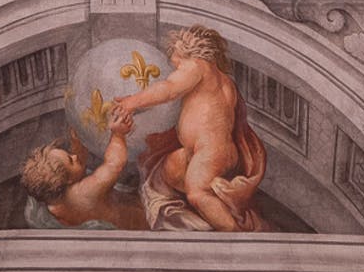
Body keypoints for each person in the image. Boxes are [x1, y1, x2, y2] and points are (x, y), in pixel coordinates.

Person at [109, 25, 264, 232]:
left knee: (197, 193)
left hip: (211, 151)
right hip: (211, 151)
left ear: (186, 50)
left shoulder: (196, 66)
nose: (175, 68)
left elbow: (169, 89)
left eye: (176, 61)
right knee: (163, 171)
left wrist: (132, 102)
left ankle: (236, 238)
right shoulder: (223, 80)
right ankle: (192, 219)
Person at [17, 129, 145, 229]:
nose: (74, 156)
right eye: (70, 160)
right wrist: (118, 134)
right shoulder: (85, 192)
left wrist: (77, 144)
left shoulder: (51, 202)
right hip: (136, 220)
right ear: (66, 181)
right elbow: (115, 164)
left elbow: (75, 172)